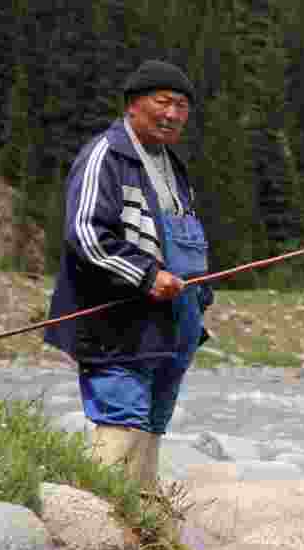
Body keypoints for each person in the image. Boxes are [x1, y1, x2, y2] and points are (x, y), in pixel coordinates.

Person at [45, 59, 212, 493]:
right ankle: (91, 524)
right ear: (133, 105)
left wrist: (199, 299)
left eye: (181, 106)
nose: (173, 114)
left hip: (174, 322)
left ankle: (145, 526)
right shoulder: (107, 154)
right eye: (163, 102)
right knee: (121, 419)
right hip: (116, 319)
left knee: (153, 424)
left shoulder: (173, 167)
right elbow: (84, 232)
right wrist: (145, 275)